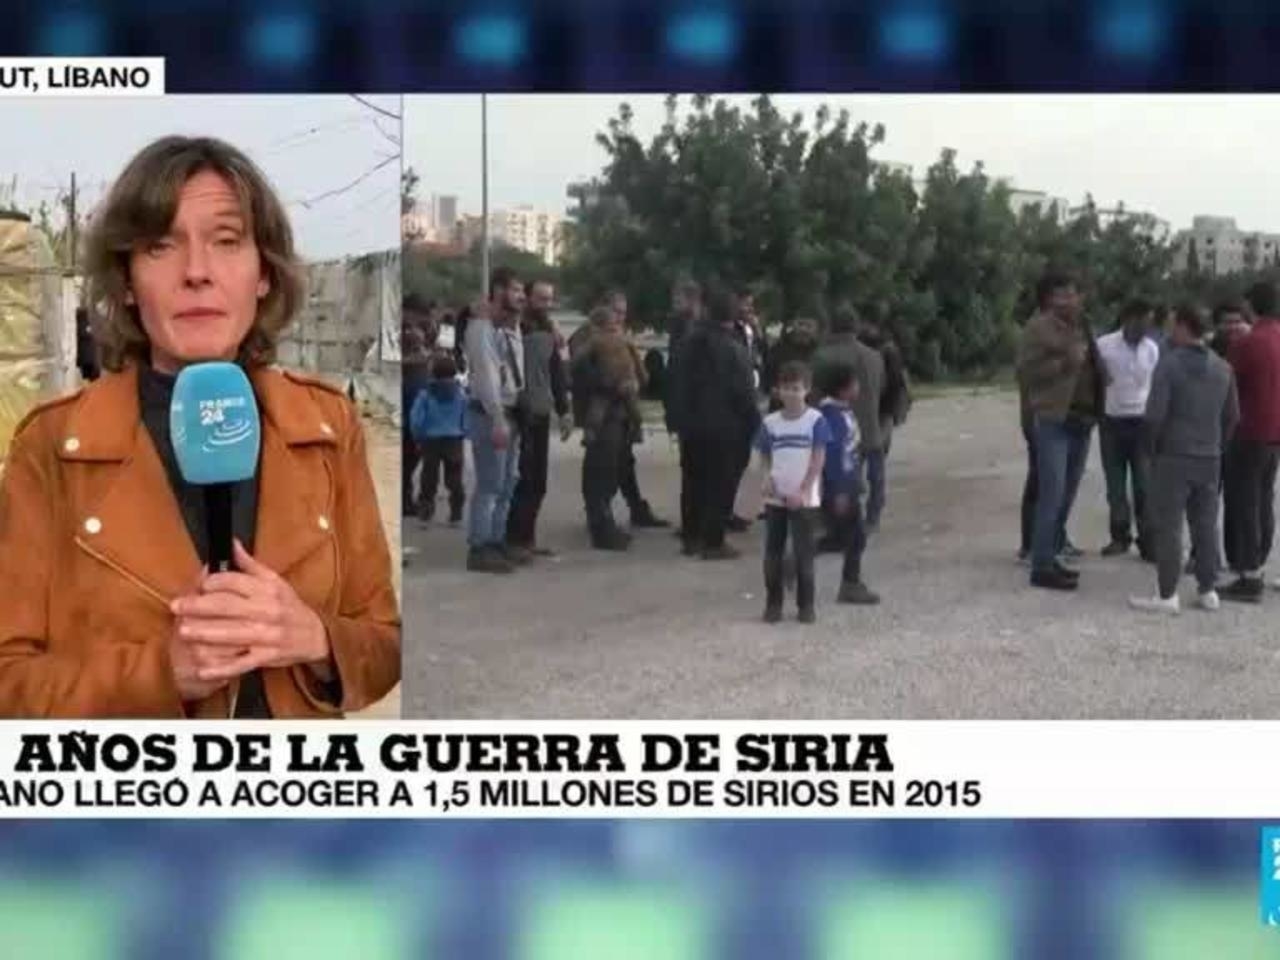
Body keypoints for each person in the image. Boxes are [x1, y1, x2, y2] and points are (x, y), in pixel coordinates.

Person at [0, 135, 401, 717]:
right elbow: (9, 683)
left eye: (227, 241)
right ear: (127, 281)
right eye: (161, 246)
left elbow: (386, 645)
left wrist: (317, 637)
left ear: (264, 274)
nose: (196, 273)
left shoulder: (327, 426)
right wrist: (159, 673)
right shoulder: (51, 446)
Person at [1130, 305, 1239, 614]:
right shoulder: (1223, 368)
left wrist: (1150, 449)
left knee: (1169, 525)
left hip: (1174, 454)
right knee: (1205, 523)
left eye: (1171, 324)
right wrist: (1218, 445)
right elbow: (1233, 416)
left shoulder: (1169, 365)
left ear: (1182, 327)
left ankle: (1167, 593)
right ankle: (1208, 589)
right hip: (1209, 455)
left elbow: (1154, 416)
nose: (1168, 330)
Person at [1017, 269, 1104, 591]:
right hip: (1055, 420)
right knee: (1051, 495)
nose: (1069, 300)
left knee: (1066, 494)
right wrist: (1066, 363)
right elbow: (1027, 373)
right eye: (1061, 294)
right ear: (1048, 299)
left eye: (1072, 293)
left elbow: (1092, 363)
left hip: (1083, 419)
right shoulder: (1038, 328)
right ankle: (1041, 565)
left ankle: (1052, 554)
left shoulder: (1083, 325)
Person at [674, 285, 762, 560]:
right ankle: (713, 541)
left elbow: (676, 381)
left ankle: (691, 536)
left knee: (693, 481)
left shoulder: (688, 342)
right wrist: (755, 423)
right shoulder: (733, 348)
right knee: (722, 483)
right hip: (726, 426)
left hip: (692, 424)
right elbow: (744, 392)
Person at [463, 267, 526, 574]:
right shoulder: (482, 328)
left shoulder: (505, 326)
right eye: (515, 290)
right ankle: (480, 547)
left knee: (507, 482)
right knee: (490, 484)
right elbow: (487, 376)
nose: (521, 297)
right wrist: (498, 419)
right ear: (499, 291)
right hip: (490, 413)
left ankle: (496, 541)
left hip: (509, 411)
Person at [1220, 281, 1280, 602]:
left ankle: (1248, 573)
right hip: (1274, 432)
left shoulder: (1247, 342)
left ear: (1250, 305)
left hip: (1248, 431)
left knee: (1244, 503)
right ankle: (1258, 562)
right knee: (1264, 499)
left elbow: (1225, 383)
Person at [757, 362, 828, 623]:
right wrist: (766, 478)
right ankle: (773, 603)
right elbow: (764, 455)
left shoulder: (815, 421)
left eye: (796, 388)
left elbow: (818, 459)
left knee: (803, 553)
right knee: (773, 553)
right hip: (775, 496)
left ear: (806, 390)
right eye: (786, 388)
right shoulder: (770, 422)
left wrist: (804, 489)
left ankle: (806, 605)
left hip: (804, 498)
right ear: (778, 390)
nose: (791, 394)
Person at [811, 305, 885, 553]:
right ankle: (872, 517)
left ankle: (837, 525)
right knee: (875, 475)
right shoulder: (873, 356)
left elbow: (814, 394)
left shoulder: (821, 356)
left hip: (835, 426)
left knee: (838, 478)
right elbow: (882, 388)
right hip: (870, 424)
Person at [506, 279, 571, 557]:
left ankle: (526, 538)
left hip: (542, 410)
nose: (546, 304)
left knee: (538, 481)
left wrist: (564, 410)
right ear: (528, 298)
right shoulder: (514, 328)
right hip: (520, 412)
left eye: (549, 299)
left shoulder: (547, 330)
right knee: (522, 478)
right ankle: (513, 540)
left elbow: (556, 372)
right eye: (541, 298)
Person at [1095, 298, 1159, 559]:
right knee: (1115, 485)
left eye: (1150, 322)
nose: (1147, 327)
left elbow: (1156, 384)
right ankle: (1119, 537)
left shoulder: (1152, 348)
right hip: (1112, 421)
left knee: (1145, 485)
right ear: (1129, 319)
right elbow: (1093, 379)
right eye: (1143, 321)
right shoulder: (1104, 345)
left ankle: (1148, 539)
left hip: (1142, 422)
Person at [571, 305, 636, 550]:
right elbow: (582, 373)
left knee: (607, 472)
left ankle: (604, 524)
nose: (617, 325)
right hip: (602, 416)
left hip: (613, 414)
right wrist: (612, 385)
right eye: (613, 321)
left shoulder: (606, 342)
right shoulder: (586, 343)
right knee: (600, 472)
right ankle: (602, 529)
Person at [607, 290, 670, 529]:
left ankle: (636, 509)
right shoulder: (592, 337)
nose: (620, 317)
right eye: (615, 312)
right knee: (607, 466)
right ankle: (602, 515)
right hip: (607, 412)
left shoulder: (624, 338)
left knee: (625, 463)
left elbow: (640, 376)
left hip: (626, 410)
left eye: (623, 313)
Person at [819, 361, 880, 606]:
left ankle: (796, 558)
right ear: (843, 389)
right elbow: (835, 457)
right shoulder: (835, 418)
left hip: (846, 486)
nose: (859, 387)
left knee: (839, 537)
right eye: (855, 383)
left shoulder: (840, 412)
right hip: (841, 489)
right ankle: (850, 585)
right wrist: (841, 491)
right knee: (855, 537)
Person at [858, 319, 911, 533]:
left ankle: (871, 514)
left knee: (871, 462)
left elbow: (896, 386)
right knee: (876, 463)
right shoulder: (887, 352)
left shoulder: (880, 355)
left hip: (879, 413)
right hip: (882, 413)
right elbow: (899, 386)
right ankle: (873, 513)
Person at [663, 278, 704, 544]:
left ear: (692, 300)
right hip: (691, 411)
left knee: (692, 471)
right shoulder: (684, 328)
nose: (674, 304)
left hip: (691, 410)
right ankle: (693, 526)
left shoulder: (689, 329)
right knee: (693, 470)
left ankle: (692, 525)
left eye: (678, 300)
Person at [409, 352, 467, 526]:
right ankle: (456, 513)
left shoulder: (426, 394)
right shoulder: (460, 394)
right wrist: (464, 431)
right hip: (454, 439)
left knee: (429, 477)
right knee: (454, 477)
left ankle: (425, 513)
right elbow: (466, 417)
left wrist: (417, 435)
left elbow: (416, 419)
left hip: (431, 440)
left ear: (433, 372)